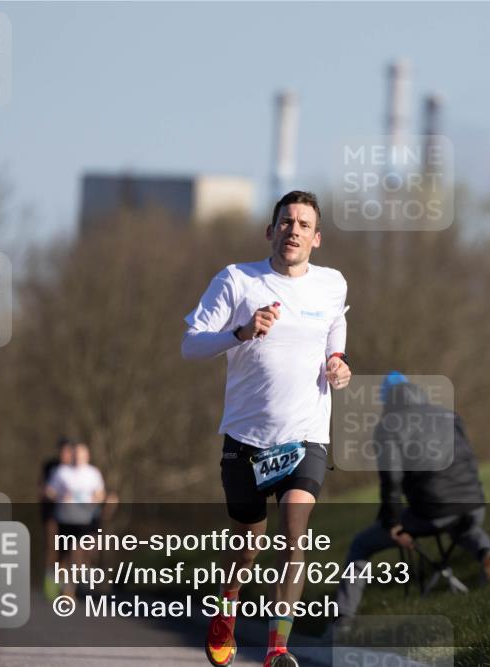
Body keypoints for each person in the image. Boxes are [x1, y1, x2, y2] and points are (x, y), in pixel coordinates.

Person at [182, 190, 351, 667]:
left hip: (306, 435)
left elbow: (335, 325)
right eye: (286, 222)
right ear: (270, 230)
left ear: (316, 238)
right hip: (246, 440)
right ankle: (226, 609)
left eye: (303, 224)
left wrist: (338, 361)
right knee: (247, 546)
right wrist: (241, 332)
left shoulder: (332, 283)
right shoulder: (237, 280)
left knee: (295, 533)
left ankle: (278, 648)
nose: (293, 230)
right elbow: (190, 346)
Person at [333, 372, 490, 629]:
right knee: (461, 524)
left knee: (361, 545)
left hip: (431, 511)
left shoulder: (389, 426)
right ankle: (487, 552)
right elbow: (469, 460)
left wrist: (393, 523)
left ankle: (343, 619)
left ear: (387, 400)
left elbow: (391, 481)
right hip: (474, 504)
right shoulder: (450, 416)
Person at [46, 441, 106, 598]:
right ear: (71, 455)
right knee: (64, 555)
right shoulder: (62, 472)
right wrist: (60, 496)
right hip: (65, 518)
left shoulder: (93, 473)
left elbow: (101, 494)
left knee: (78, 552)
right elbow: (49, 492)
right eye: (76, 454)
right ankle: (63, 585)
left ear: (87, 456)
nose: (78, 457)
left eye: (81, 454)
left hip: (85, 519)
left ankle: (71, 587)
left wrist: (96, 498)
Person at [39, 436, 74, 600]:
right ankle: (50, 583)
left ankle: (65, 585)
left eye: (67, 451)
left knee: (66, 550)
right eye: (62, 451)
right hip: (52, 513)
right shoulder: (50, 466)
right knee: (52, 547)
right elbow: (43, 489)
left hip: (71, 516)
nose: (64, 454)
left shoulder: (77, 469)